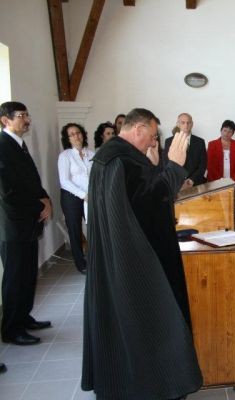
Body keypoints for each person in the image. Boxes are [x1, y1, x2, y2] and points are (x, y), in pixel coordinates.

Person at [82, 108, 202, 399]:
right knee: (154, 319)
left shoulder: (112, 157)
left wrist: (157, 167)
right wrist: (175, 167)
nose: (152, 141)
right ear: (137, 129)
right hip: (137, 261)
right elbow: (149, 206)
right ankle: (158, 384)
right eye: (151, 135)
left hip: (118, 257)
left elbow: (140, 198)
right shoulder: (122, 161)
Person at [0, 101, 52, 346]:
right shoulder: (2, 145)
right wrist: (39, 206)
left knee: (28, 273)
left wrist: (46, 199)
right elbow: (7, 191)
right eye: (22, 115)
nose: (27, 120)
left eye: (27, 115)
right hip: (12, 225)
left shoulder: (18, 145)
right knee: (15, 276)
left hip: (27, 222)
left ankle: (23, 316)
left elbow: (31, 181)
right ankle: (11, 328)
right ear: (5, 120)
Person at [58, 123, 94, 274]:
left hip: (90, 196)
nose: (76, 136)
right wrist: (83, 195)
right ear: (68, 139)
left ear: (83, 134)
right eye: (71, 134)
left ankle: (95, 259)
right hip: (71, 197)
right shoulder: (65, 155)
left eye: (78, 132)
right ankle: (81, 264)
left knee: (93, 227)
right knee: (75, 230)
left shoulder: (91, 154)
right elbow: (64, 181)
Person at [206, 120, 235, 214]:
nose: (227, 133)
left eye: (230, 131)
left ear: (233, 133)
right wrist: (220, 181)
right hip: (215, 182)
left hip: (233, 182)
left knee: (232, 209)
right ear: (221, 130)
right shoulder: (212, 144)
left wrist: (232, 180)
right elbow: (209, 164)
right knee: (216, 209)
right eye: (225, 130)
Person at [164, 113, 207, 190]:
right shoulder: (169, 141)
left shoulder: (200, 142)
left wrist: (191, 180)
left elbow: (203, 165)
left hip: (196, 184)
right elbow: (166, 164)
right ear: (178, 124)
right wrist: (179, 181)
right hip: (176, 185)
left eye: (188, 122)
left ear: (192, 124)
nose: (186, 125)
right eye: (183, 122)